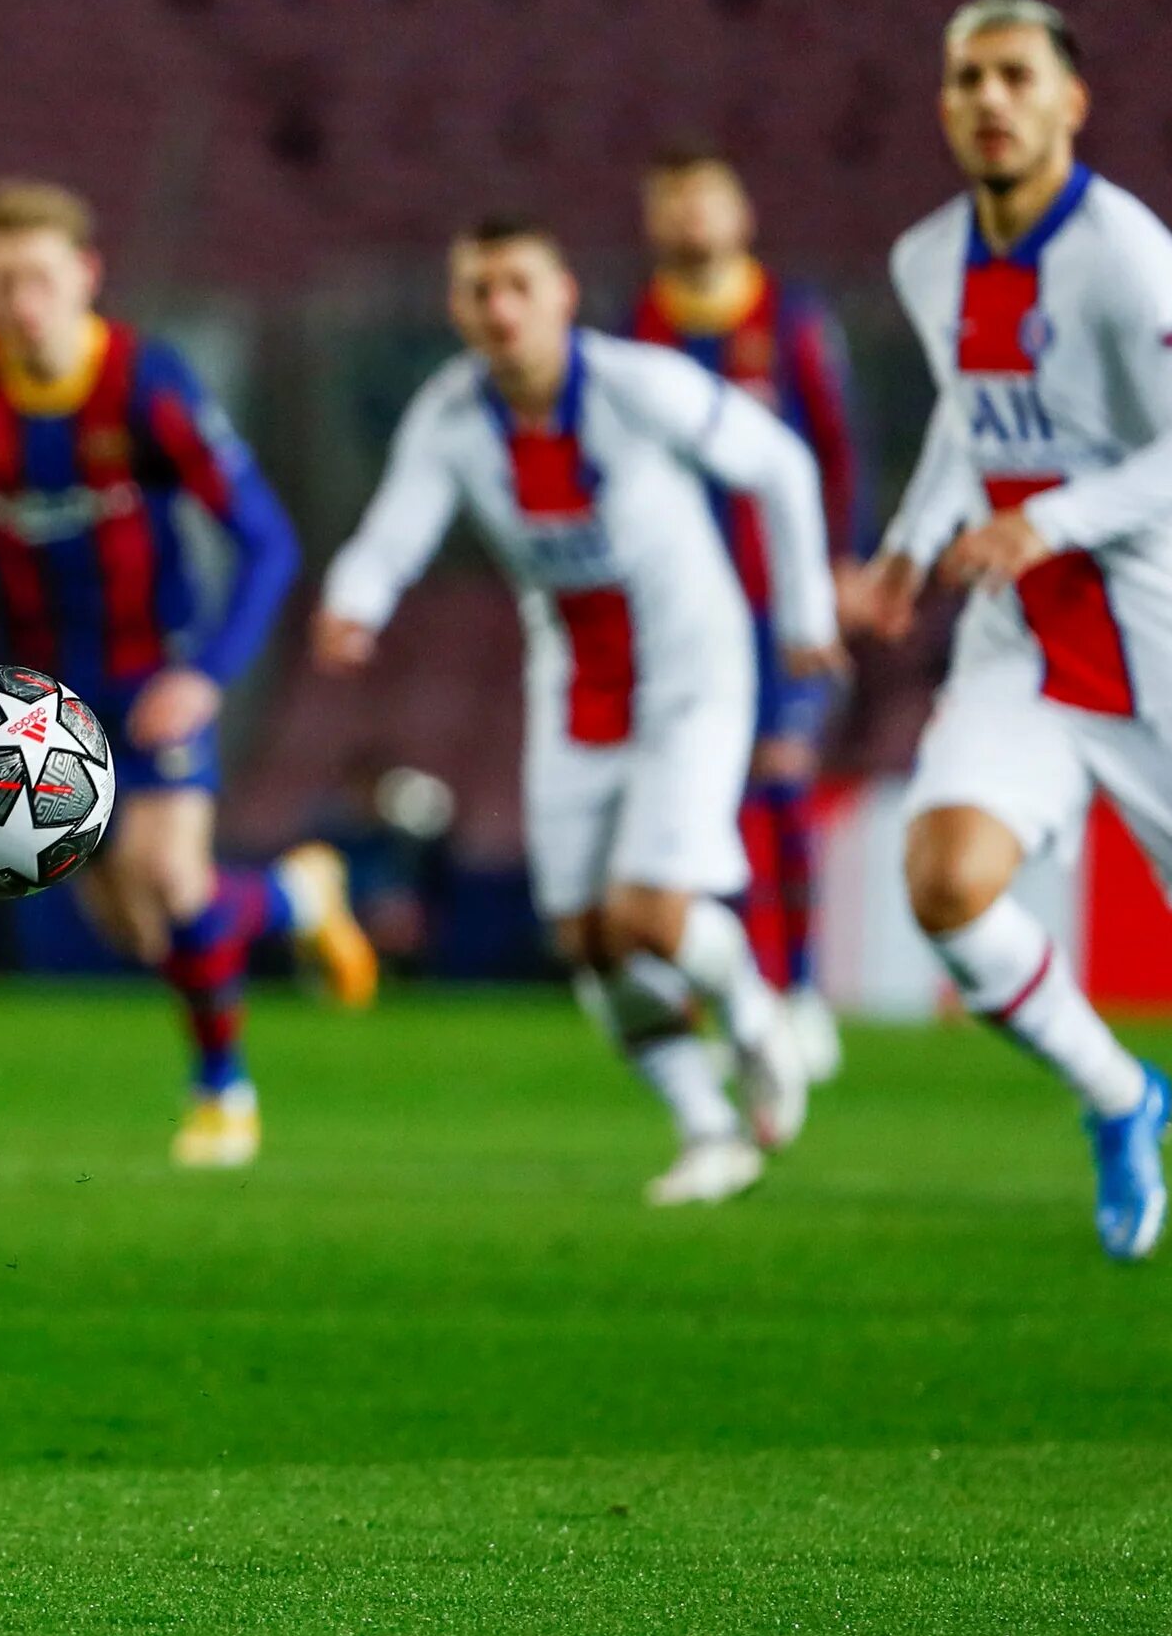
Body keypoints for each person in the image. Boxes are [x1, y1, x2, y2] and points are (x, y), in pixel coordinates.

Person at [845, 0, 1172, 1308]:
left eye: (1015, 75)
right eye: (966, 78)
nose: (989, 99)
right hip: (1026, 636)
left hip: (1164, 631)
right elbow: (967, 412)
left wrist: (1041, 521)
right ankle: (1120, 1094)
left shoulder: (1130, 259)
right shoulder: (929, 256)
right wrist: (909, 545)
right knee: (944, 878)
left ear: (1071, 102)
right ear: (941, 103)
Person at [317, 219, 845, 1206]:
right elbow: (396, 530)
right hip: (577, 681)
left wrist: (808, 607)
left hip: (692, 667)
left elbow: (781, 463)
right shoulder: (452, 416)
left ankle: (755, 1013)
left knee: (648, 914)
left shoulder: (637, 387)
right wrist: (356, 600)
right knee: (588, 937)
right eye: (479, 290)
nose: (500, 307)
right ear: (457, 307)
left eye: (519, 284)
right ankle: (707, 1128)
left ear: (564, 294)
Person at [0, 177, 375, 1170]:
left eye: (36, 276)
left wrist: (207, 672)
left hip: (149, 675)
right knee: (140, 930)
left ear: (85, 276)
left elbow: (267, 540)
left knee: (172, 877)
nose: (18, 300)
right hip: (38, 702)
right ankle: (296, 896)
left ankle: (223, 1092)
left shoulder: (145, 383)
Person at [633, 148, 869, 1082]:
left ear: (743, 214)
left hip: (778, 601)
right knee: (702, 802)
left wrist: (842, 562)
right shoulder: (638, 326)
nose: (691, 218)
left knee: (781, 782)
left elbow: (839, 449)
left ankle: (802, 989)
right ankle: (733, 998)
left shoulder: (793, 319)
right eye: (673, 201)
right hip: (676, 607)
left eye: (706, 199)